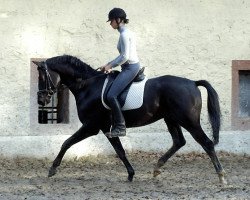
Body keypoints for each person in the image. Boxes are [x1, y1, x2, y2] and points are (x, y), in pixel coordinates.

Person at [101, 8, 140, 137]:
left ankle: (120, 127)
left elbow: (125, 57)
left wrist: (110, 65)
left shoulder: (124, 35)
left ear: (118, 20)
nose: (110, 23)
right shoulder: (126, 32)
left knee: (111, 95)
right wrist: (107, 65)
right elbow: (122, 56)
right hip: (127, 67)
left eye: (111, 20)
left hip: (130, 68)